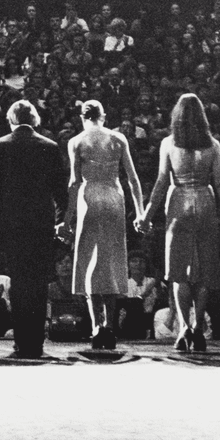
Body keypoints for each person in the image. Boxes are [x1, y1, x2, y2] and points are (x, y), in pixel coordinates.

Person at [142, 93, 220, 353]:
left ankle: (184, 328)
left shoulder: (168, 143)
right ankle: (198, 327)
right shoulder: (213, 144)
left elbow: (161, 182)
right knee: (204, 270)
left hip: (178, 202)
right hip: (205, 200)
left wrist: (146, 215)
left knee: (179, 273)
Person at [0, 100, 68, 358]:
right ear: (35, 120)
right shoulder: (50, 147)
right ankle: (37, 342)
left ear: (11, 119)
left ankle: (21, 341)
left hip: (12, 224)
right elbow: (60, 191)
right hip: (41, 224)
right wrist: (60, 221)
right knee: (38, 283)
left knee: (19, 282)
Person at [63, 100, 145, 350]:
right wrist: (140, 211)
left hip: (89, 198)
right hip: (113, 198)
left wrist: (66, 219)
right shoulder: (117, 138)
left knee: (88, 259)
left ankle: (95, 326)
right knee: (110, 259)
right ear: (104, 116)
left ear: (82, 117)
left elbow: (74, 182)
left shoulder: (76, 141)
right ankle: (109, 324)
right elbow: (132, 178)